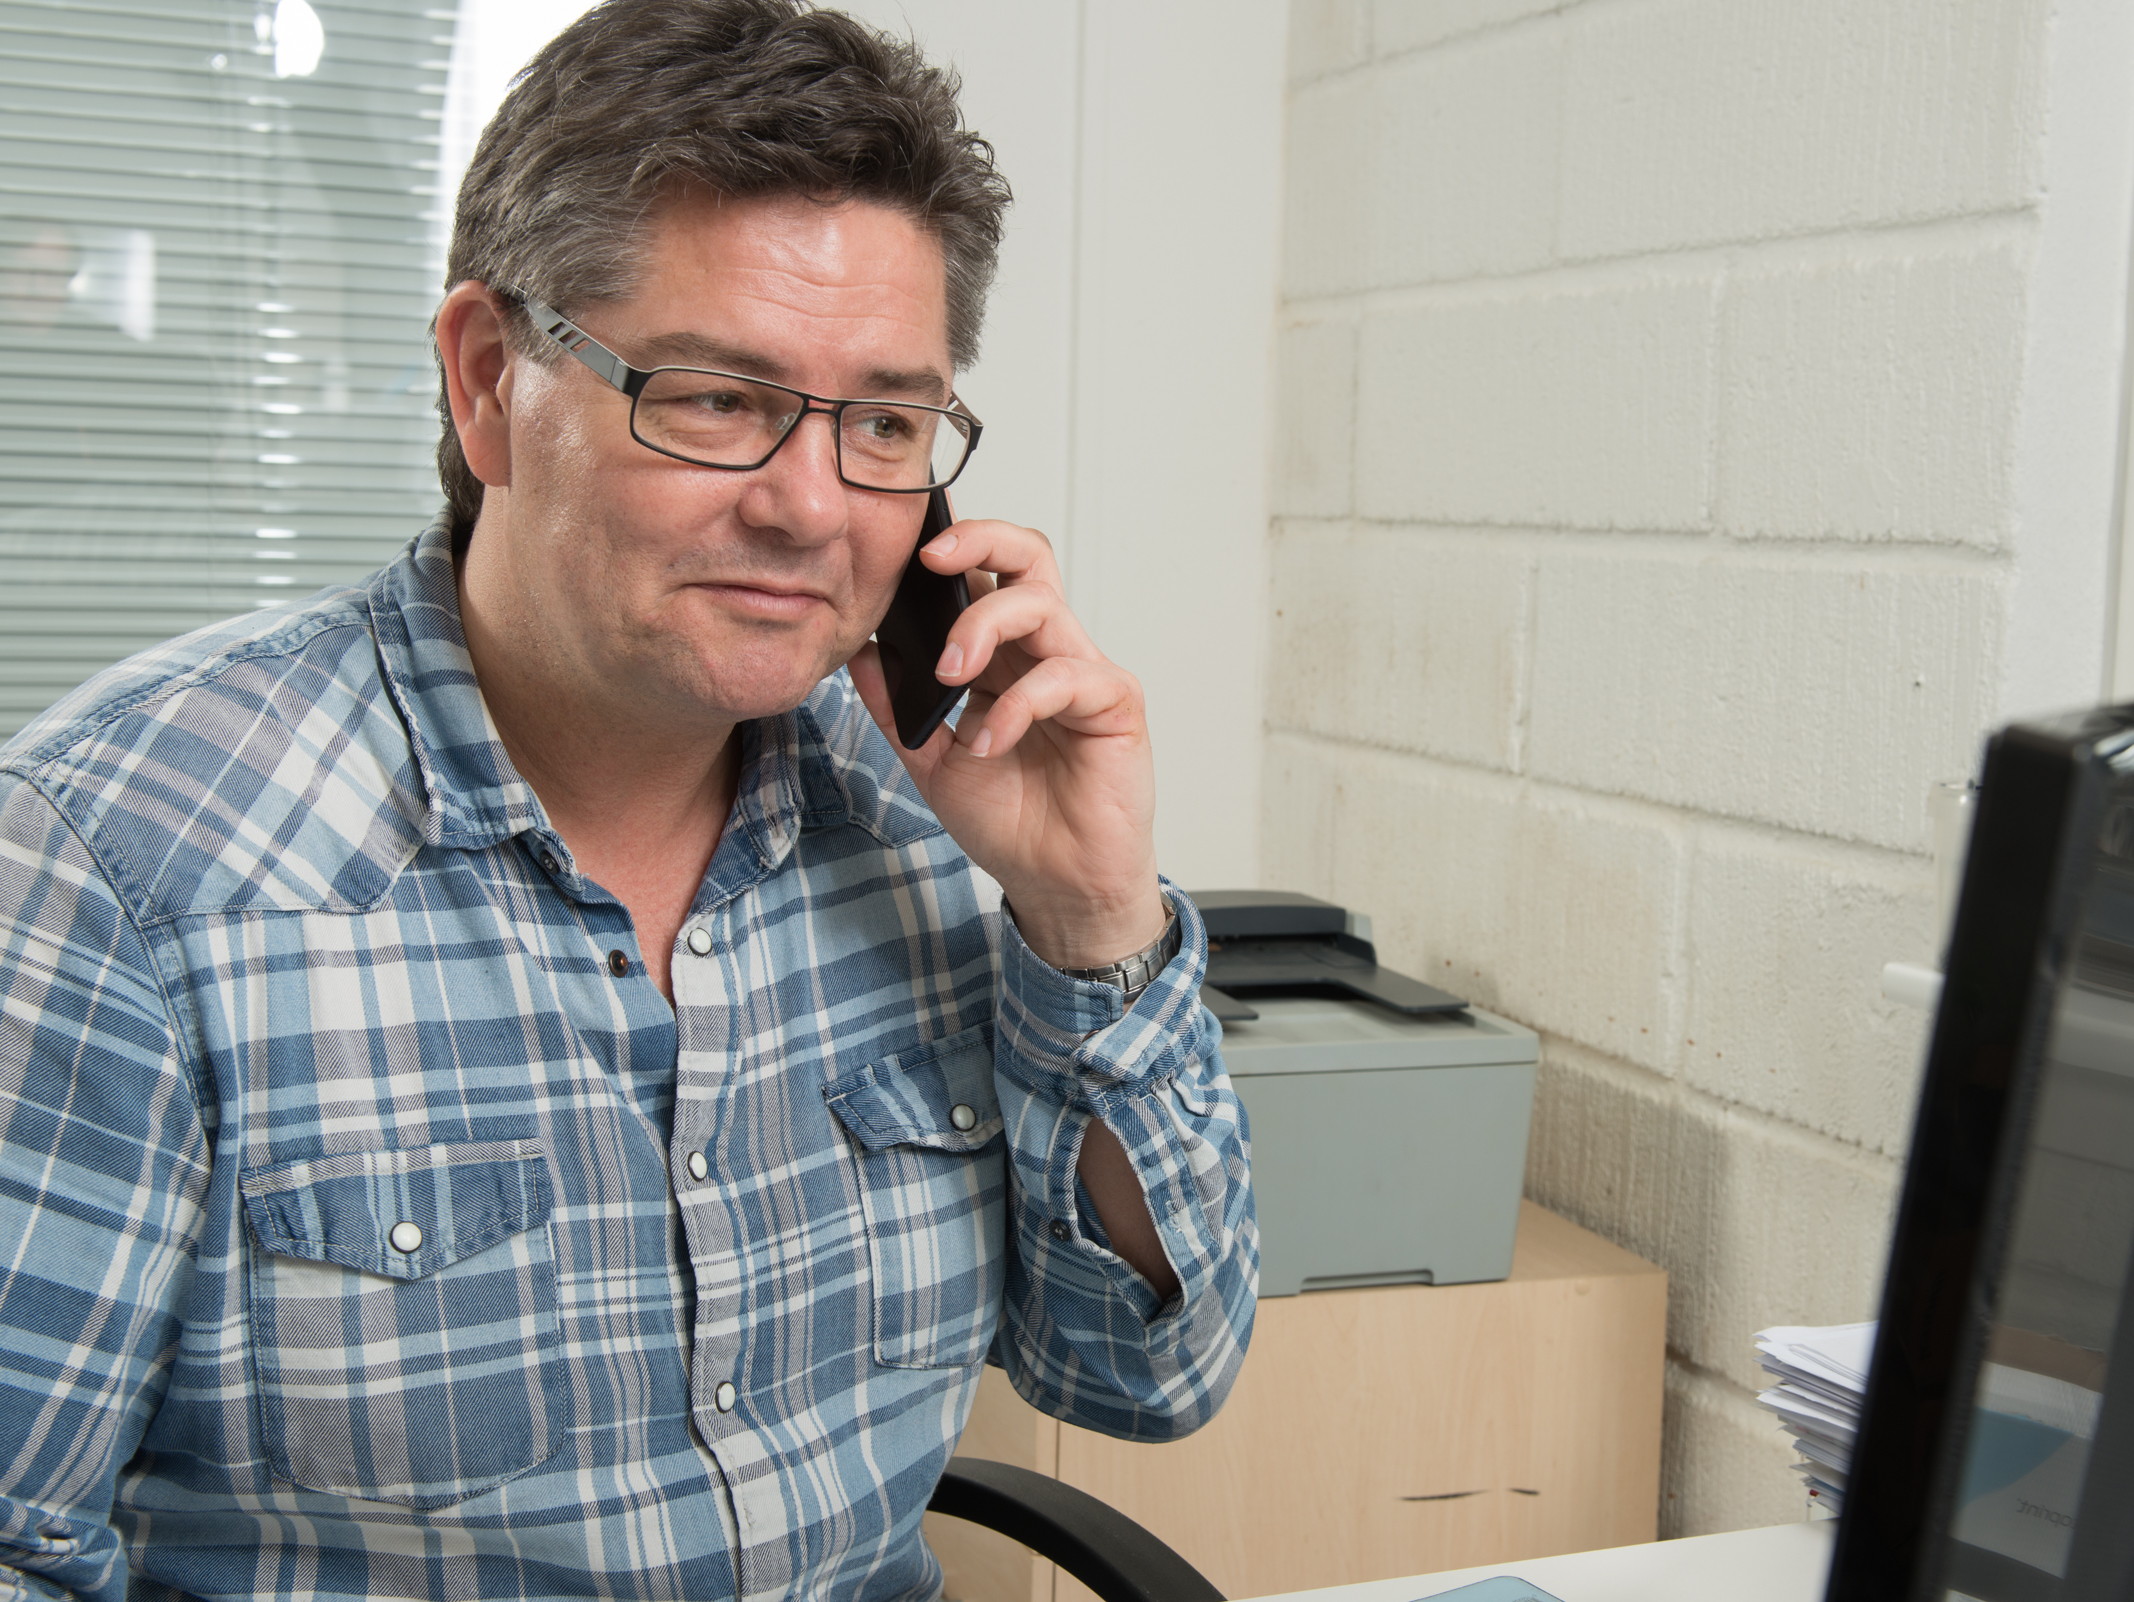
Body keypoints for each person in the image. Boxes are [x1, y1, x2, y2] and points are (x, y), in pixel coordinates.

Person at [0, 3, 1256, 1598]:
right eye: (719, 397)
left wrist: (1089, 921)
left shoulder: (940, 803)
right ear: (484, 382)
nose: (811, 506)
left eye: (883, 423)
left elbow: (1149, 1371)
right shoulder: (118, 859)